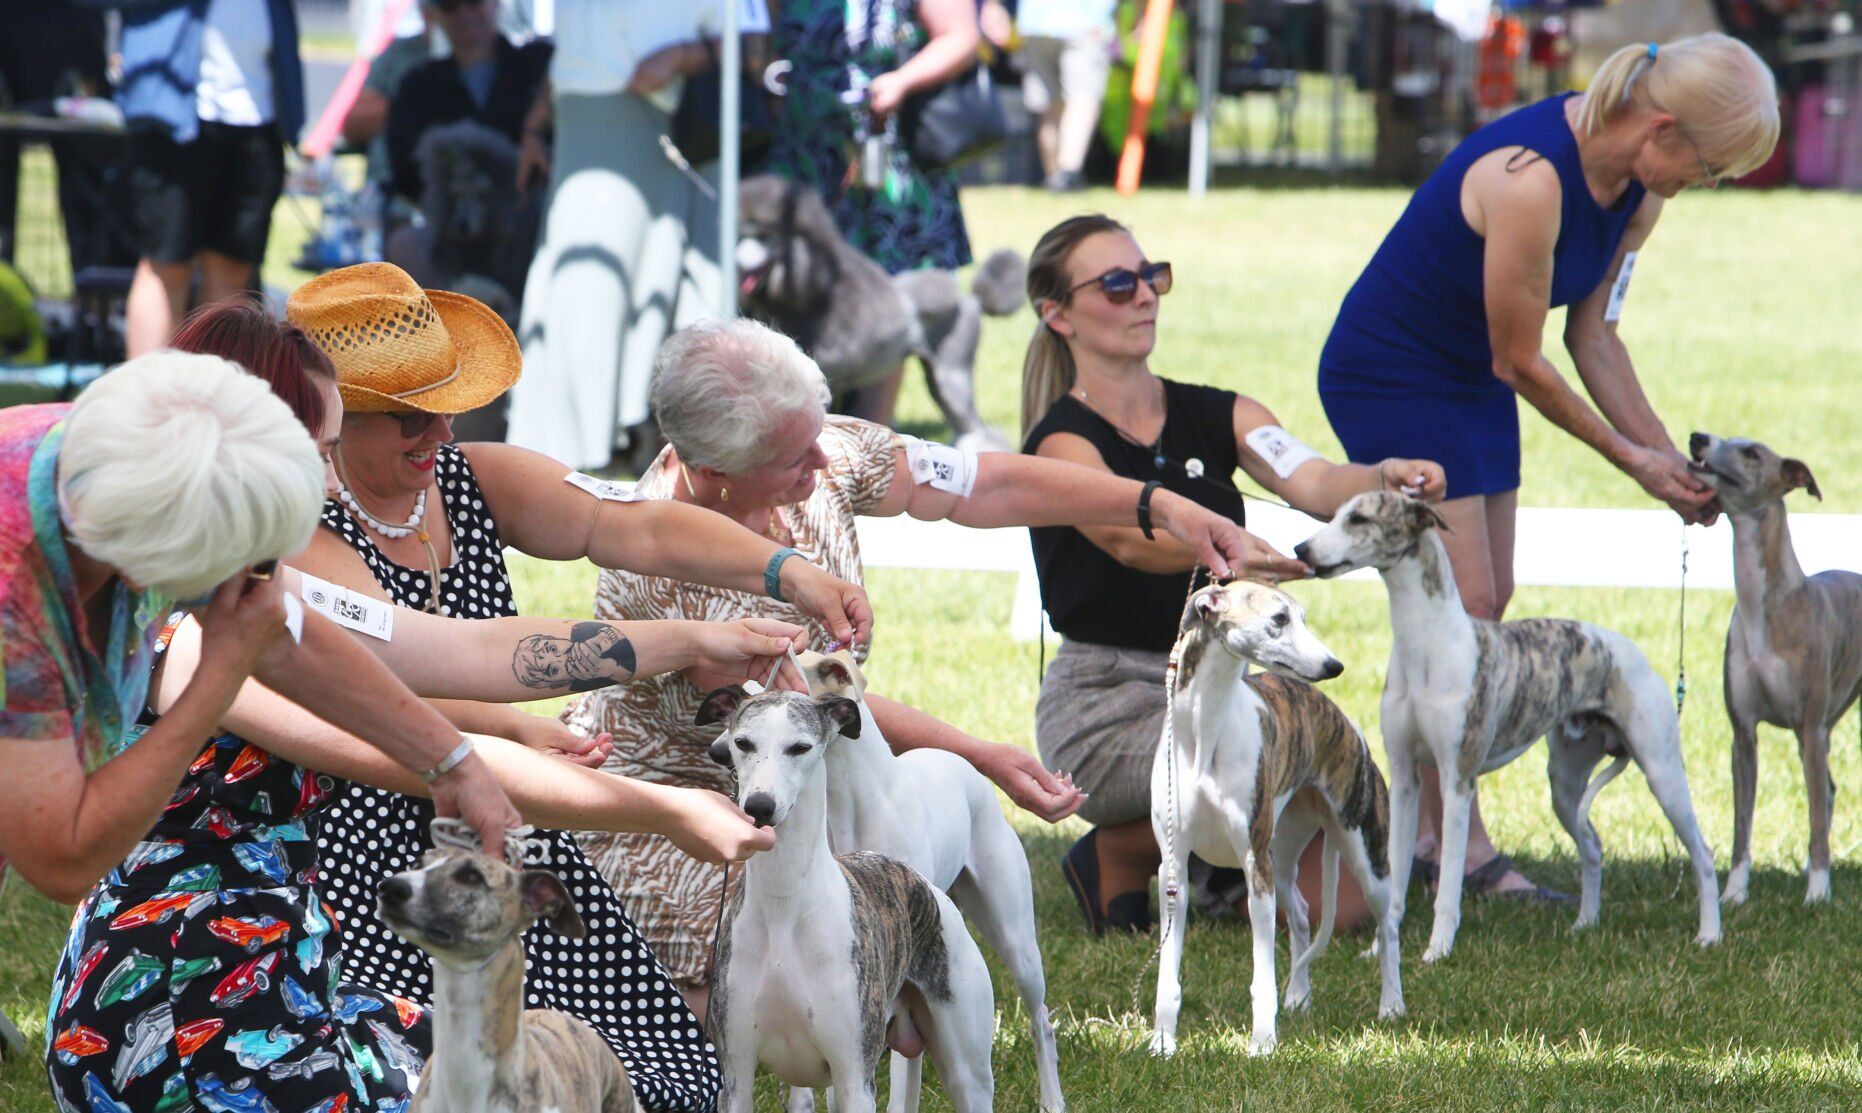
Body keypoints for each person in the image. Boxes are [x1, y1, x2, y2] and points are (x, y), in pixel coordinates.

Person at [42, 303, 798, 1112]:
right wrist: (667, 809)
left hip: (292, 969)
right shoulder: (194, 626)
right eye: (319, 452)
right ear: (241, 451)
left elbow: (460, 652)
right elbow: (395, 748)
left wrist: (693, 637)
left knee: (527, 1075)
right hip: (177, 997)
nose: (328, 484)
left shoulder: (249, 581)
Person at [559, 316, 1292, 1013]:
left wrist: (1156, 504)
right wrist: (979, 755)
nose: (824, 459)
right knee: (754, 999)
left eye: (820, 433)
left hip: (821, 788)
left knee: (876, 982)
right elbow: (810, 714)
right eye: (796, 457)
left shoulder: (820, 444)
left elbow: (985, 484)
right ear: (717, 471)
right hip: (691, 808)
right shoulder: (655, 570)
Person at [278, 264, 879, 1107]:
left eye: (446, 403)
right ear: (328, 415)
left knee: (671, 1071)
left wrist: (784, 569)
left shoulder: (472, 476)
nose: (439, 433)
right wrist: (685, 642)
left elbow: (626, 521)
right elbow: (427, 663)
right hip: (376, 846)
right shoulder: (301, 533)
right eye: (408, 415)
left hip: (508, 818)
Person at [1316, 33, 1779, 899]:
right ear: (1664, 129)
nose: (1703, 186)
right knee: (1468, 605)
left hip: (1474, 366)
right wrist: (1632, 465)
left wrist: (1668, 461)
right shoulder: (1528, 180)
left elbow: (1593, 334)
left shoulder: (1639, 194)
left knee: (1494, 597)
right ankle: (1447, 844)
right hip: (1397, 367)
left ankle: (1424, 830)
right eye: (1711, 167)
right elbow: (1521, 362)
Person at [1018, 214, 1446, 934]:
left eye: (1153, 277)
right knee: (1259, 763)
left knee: (1346, 908)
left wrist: (1381, 475)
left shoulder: (1217, 412)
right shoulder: (1062, 439)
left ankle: (1207, 865)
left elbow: (1308, 474)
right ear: (1056, 313)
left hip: (1224, 686)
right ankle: (1121, 850)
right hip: (1109, 697)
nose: (1145, 296)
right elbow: (1128, 541)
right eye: (1117, 284)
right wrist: (1230, 552)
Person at [509, 1, 770, 471]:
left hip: (668, 121)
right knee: (583, 286)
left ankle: (659, 440)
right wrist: (535, 124)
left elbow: (754, 50)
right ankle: (577, 447)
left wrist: (683, 56)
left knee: (658, 284)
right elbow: (577, 46)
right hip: (585, 121)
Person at [762, 0, 981, 425]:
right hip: (804, 151)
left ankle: (873, 433)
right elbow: (765, 33)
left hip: (886, 149)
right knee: (801, 291)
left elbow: (961, 37)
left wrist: (901, 81)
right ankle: (804, 421)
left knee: (889, 287)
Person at [116, 0, 305, 357]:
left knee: (234, 265)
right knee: (165, 264)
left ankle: (218, 402)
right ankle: (145, 403)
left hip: (258, 117)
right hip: (174, 118)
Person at [384, 0, 551, 204]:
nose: (464, 13)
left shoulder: (540, 66)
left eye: (474, 2)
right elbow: (405, 169)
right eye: (449, 6)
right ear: (432, 15)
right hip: (450, 219)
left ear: (496, 3)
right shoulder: (418, 86)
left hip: (532, 210)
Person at [1016, 0, 1116, 192]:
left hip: (1035, 20)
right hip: (1086, 19)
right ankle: (1068, 173)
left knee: (1050, 105)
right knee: (1083, 97)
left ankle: (1054, 176)